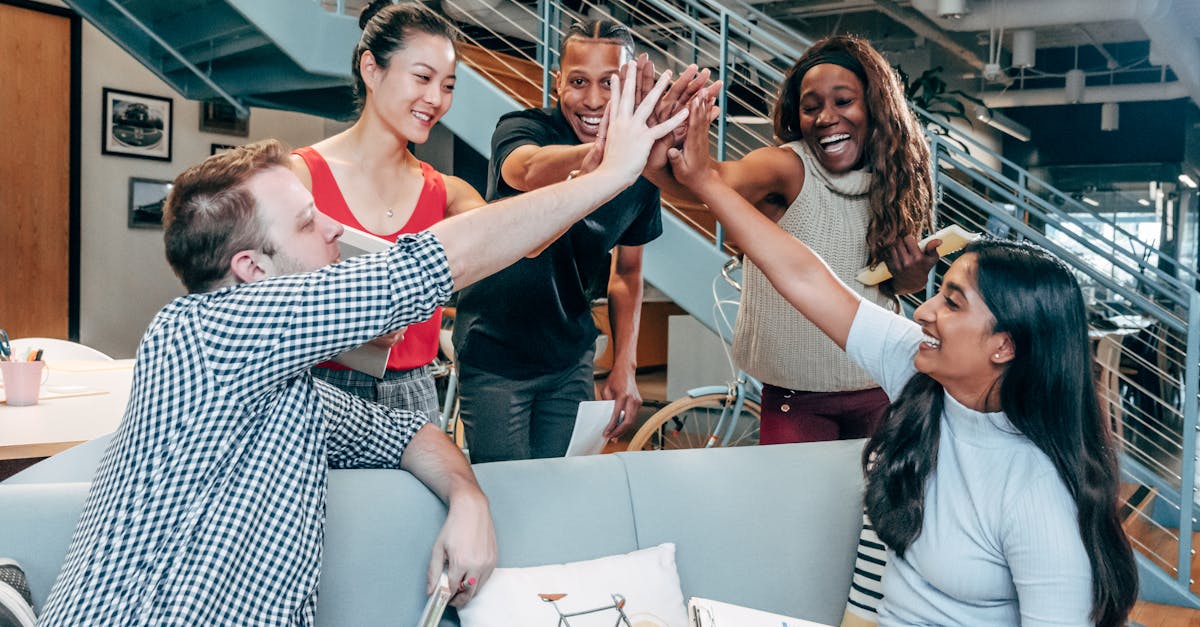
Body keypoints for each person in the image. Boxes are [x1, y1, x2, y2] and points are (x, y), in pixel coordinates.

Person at [37, 63, 687, 625]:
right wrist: (614, 172)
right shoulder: (203, 332)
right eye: (306, 220)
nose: (333, 228)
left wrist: (468, 497)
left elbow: (407, 434)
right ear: (250, 272)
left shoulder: (283, 388)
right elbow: (432, 266)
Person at [667, 91, 1138, 626]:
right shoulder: (917, 372)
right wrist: (704, 180)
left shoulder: (1038, 496)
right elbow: (804, 276)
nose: (923, 312)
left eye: (952, 302)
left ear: (1004, 346)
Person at [646, 35, 939, 445]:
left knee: (875, 509)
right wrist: (664, 145)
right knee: (792, 509)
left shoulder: (894, 181)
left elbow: (889, 289)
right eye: (811, 106)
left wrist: (912, 277)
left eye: (843, 101)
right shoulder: (786, 166)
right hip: (795, 398)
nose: (825, 117)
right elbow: (711, 182)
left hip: (881, 386)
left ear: (875, 108)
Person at [451, 19, 705, 462]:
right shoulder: (522, 128)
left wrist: (625, 363)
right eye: (578, 82)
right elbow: (525, 169)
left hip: (568, 359)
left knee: (557, 492)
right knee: (506, 495)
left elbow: (628, 272)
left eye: (609, 83)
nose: (591, 100)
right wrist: (606, 159)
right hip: (496, 353)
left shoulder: (640, 171)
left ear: (631, 88)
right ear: (557, 84)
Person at [289, 1, 485, 418]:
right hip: (319, 391)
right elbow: (260, 302)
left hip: (416, 395)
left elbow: (519, 245)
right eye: (422, 77)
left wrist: (591, 177)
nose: (435, 99)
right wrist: (352, 327)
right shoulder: (299, 177)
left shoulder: (446, 193)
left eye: (448, 86)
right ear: (371, 69)